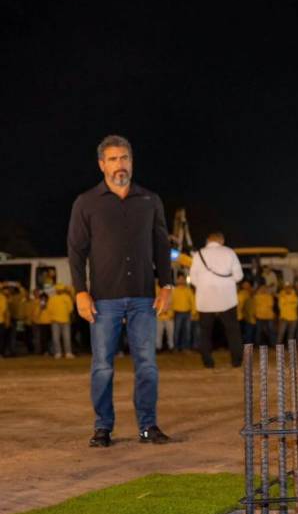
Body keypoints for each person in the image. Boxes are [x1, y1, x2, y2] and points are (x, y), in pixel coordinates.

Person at [67, 134, 173, 447]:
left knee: (147, 365)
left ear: (132, 161)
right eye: (112, 159)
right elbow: (76, 251)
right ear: (102, 165)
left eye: (124, 158)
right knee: (102, 366)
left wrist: (166, 284)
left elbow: (161, 245)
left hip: (143, 296)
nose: (119, 165)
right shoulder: (86, 203)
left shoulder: (149, 200)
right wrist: (80, 292)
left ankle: (148, 426)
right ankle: (103, 428)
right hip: (104, 299)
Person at [189, 232, 244, 368]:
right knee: (232, 330)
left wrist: (204, 285)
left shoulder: (198, 254)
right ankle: (236, 360)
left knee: (205, 331)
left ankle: (208, 361)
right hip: (227, 298)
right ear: (222, 240)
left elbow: (193, 278)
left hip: (205, 299)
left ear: (207, 240)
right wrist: (227, 282)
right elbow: (239, 276)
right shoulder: (230, 252)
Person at [47, 285, 75, 358]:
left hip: (60, 321)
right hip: (60, 320)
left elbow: (49, 309)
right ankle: (65, 353)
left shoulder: (53, 298)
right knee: (64, 338)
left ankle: (61, 353)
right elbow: (70, 309)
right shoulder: (66, 298)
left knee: (59, 338)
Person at [171, 273, 195, 351]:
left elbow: (193, 302)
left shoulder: (188, 290)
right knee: (176, 331)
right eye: (179, 279)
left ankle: (186, 348)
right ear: (177, 280)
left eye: (182, 279)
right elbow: (170, 302)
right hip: (177, 313)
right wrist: (171, 313)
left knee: (187, 332)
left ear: (185, 280)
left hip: (187, 313)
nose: (181, 281)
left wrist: (193, 313)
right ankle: (176, 347)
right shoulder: (174, 291)